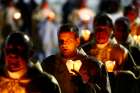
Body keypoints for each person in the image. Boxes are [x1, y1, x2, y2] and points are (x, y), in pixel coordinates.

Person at [41, 24, 111, 93]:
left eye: (69, 40)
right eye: (61, 41)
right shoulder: (48, 64)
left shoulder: (94, 65)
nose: (64, 44)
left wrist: (84, 84)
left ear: (77, 41)